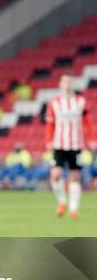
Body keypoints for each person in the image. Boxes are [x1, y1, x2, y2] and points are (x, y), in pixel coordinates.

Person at [45, 74, 95, 218]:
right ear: (60, 84)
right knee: (55, 174)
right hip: (59, 144)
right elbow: (49, 123)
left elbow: (88, 121)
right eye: (65, 81)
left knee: (74, 176)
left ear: (73, 84)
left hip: (76, 144)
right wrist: (48, 140)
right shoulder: (54, 102)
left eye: (70, 81)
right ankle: (62, 202)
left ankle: (73, 209)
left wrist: (92, 138)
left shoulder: (80, 101)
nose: (67, 84)